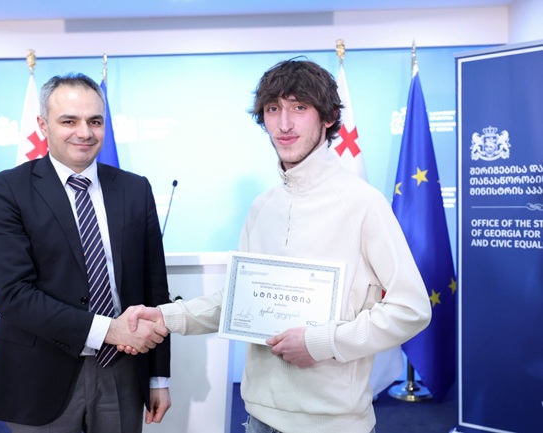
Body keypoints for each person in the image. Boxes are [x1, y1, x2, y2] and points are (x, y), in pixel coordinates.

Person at [126, 59, 432, 433]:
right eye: (273, 109)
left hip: (332, 425)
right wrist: (165, 317)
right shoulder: (262, 206)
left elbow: (411, 309)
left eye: (299, 108)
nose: (284, 124)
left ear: (328, 117)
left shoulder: (363, 204)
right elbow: (237, 302)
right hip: (258, 418)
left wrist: (321, 342)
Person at [0, 72, 172, 433]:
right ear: (43, 125)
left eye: (95, 121)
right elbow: (13, 295)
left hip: (122, 371)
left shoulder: (135, 189)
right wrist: (109, 330)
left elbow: (154, 288)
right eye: (69, 121)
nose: (85, 132)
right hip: (38, 371)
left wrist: (159, 377)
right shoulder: (7, 189)